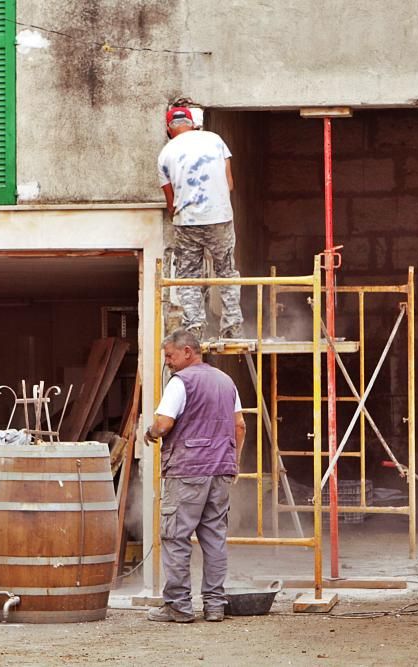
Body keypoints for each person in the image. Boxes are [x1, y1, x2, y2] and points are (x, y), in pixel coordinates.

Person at [144, 329, 246, 622]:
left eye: (170, 356)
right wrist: (233, 462)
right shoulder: (226, 381)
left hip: (188, 470)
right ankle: (215, 606)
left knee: (175, 536)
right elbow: (240, 426)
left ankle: (178, 605)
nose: (168, 363)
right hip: (221, 470)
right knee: (214, 538)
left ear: (187, 352)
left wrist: (150, 432)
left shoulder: (181, 382)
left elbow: (164, 423)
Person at [157, 105, 245, 340]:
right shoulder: (215, 140)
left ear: (169, 129)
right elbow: (230, 183)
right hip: (220, 218)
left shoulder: (165, 154)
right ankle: (233, 325)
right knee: (226, 271)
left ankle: (195, 325)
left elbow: (171, 203)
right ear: (192, 123)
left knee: (188, 275)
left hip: (187, 222)